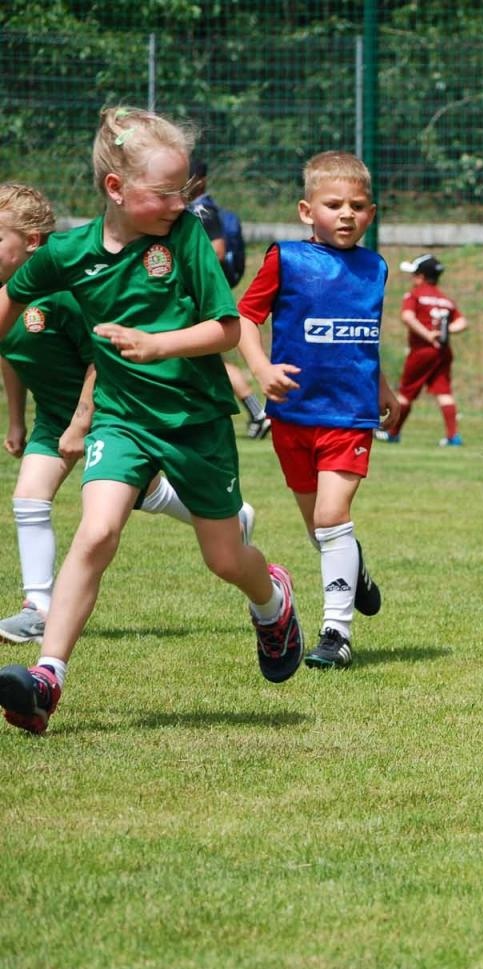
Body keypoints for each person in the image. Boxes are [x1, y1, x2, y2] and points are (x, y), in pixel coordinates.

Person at [0, 106, 304, 735]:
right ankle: (46, 677)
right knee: (96, 531)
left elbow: (226, 329)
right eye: (166, 191)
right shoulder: (69, 253)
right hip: (122, 418)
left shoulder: (187, 238)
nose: (179, 202)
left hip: (194, 421)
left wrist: (159, 344)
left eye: (184, 189)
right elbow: (14, 292)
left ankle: (272, 600)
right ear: (116, 188)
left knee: (225, 559)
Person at [0, 183, 256, 645]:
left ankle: (230, 522)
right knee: (33, 499)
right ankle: (39, 608)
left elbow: (103, 357)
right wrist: (17, 419)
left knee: (152, 501)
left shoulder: (64, 295)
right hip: (57, 419)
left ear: (31, 243)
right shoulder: (14, 297)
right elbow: (10, 356)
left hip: (108, 410)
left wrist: (83, 421)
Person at [235, 151, 395, 671]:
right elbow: (244, 316)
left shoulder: (375, 268)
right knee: (320, 527)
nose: (346, 214)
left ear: (371, 213)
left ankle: (336, 634)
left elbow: (363, 338)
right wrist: (261, 369)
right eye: (334, 204)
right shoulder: (286, 259)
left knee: (331, 517)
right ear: (308, 211)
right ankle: (356, 569)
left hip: (348, 415)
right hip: (293, 416)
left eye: (358, 206)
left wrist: (383, 388)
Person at [186, 157, 272, 440]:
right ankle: (256, 412)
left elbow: (217, 252)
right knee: (203, 359)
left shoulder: (202, 211)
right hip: (202, 296)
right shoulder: (199, 210)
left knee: (208, 358)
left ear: (199, 180)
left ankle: (258, 412)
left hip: (200, 297)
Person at [383, 253, 467, 446]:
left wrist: (428, 335)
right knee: (444, 393)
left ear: (421, 276)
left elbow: (407, 317)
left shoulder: (415, 295)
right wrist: (445, 332)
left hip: (422, 352)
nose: (412, 279)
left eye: (414, 274)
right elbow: (462, 322)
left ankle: (393, 433)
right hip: (443, 351)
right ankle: (453, 436)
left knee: (406, 393)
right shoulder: (445, 299)